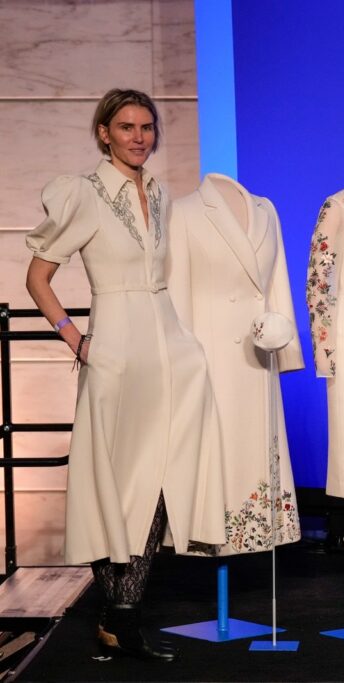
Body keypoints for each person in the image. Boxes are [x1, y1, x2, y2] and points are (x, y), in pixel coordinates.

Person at [24, 89, 225, 660]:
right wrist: (75, 338)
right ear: (104, 133)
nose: (139, 137)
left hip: (169, 348)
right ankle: (120, 618)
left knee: (160, 477)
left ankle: (123, 616)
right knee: (112, 483)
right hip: (115, 350)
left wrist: (189, 345)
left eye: (147, 127)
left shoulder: (159, 194)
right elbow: (37, 277)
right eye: (126, 127)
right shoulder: (83, 194)